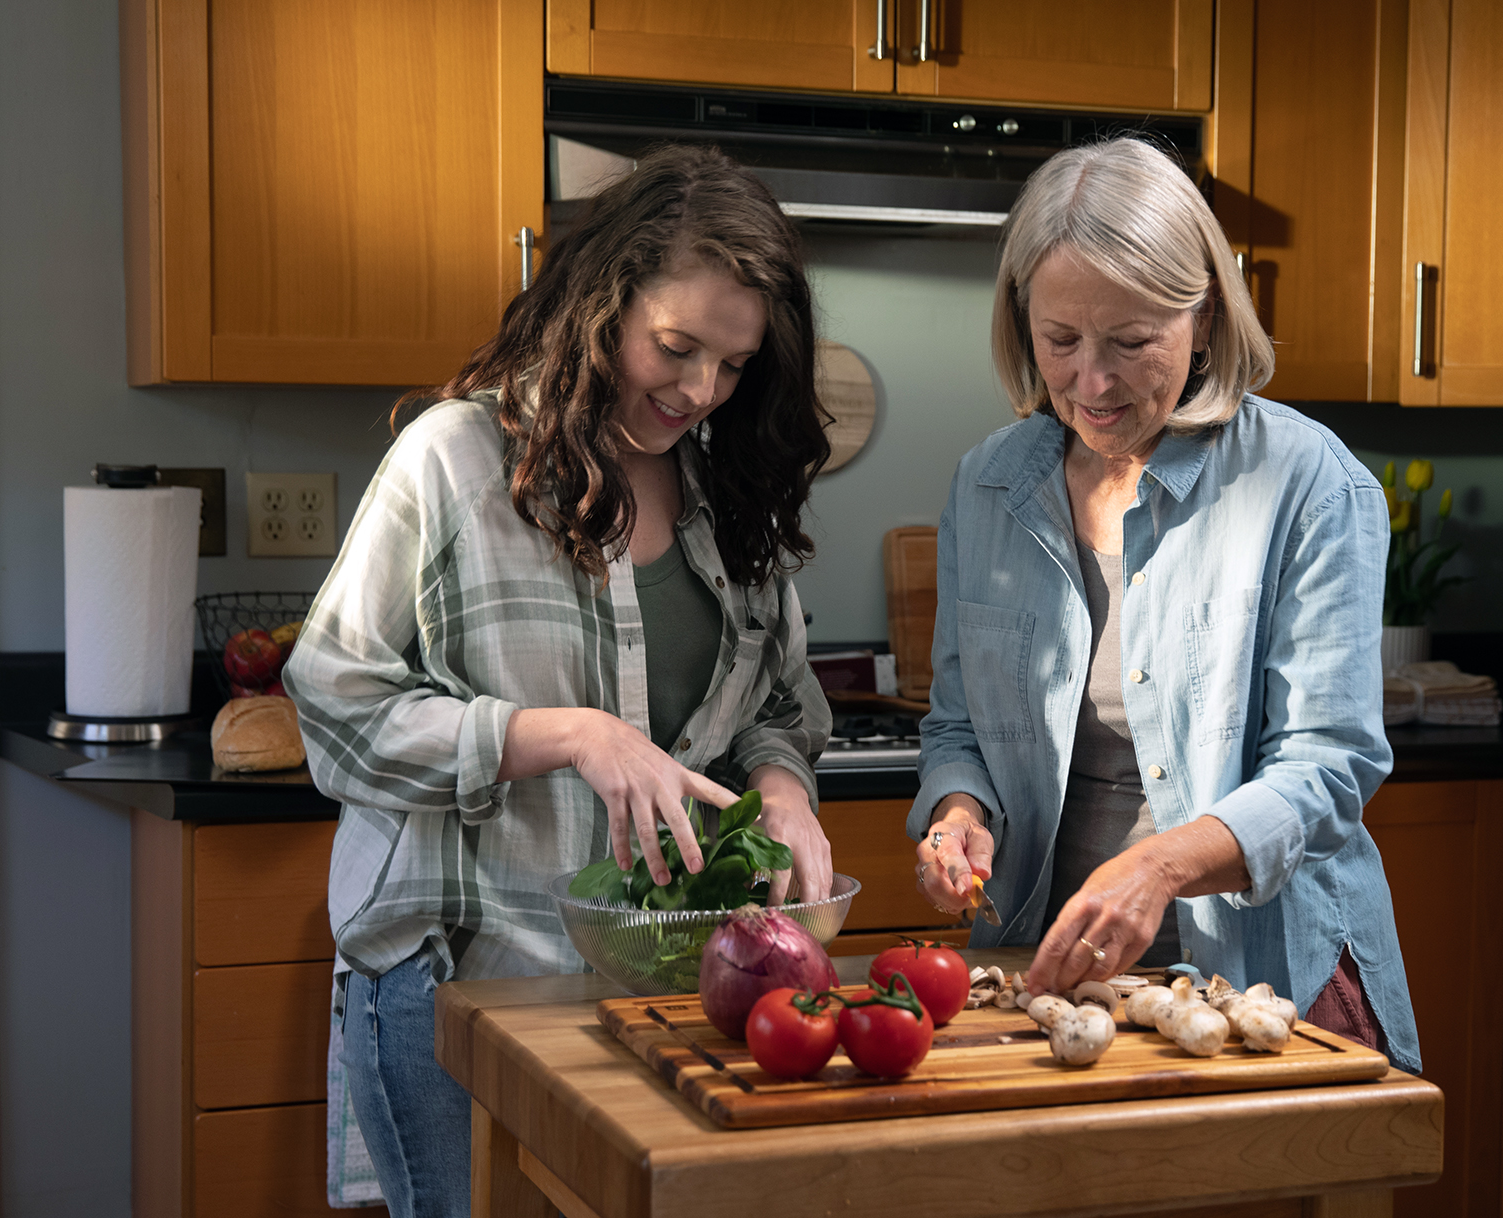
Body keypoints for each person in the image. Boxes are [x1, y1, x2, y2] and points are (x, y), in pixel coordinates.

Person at [286, 145, 835, 1218]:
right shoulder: (455, 461)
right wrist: (573, 734)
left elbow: (776, 704)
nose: (699, 391)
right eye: (675, 348)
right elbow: (335, 708)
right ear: (602, 301)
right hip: (467, 980)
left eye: (731, 365)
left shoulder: (726, 489)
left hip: (667, 989)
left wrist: (785, 789)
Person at [909, 138, 1419, 1072]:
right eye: (1059, 340)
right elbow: (957, 726)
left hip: (1261, 983)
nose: (1092, 383)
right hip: (1049, 983)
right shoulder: (985, 486)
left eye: (1133, 342)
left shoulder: (1306, 482)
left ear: (1207, 318)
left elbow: (1329, 764)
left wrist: (1158, 866)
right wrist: (957, 812)